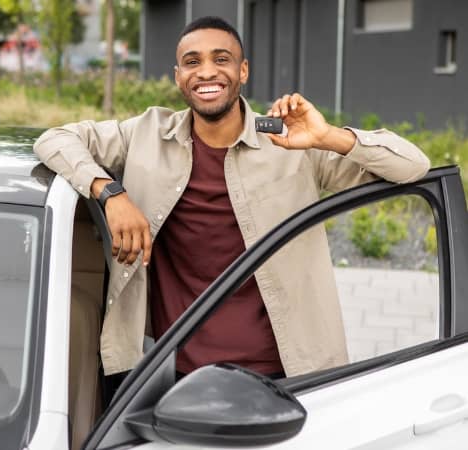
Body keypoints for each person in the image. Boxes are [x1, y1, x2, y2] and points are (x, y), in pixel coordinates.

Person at [33, 16, 430, 388]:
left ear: (243, 71)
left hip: (286, 373)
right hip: (169, 372)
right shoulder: (147, 132)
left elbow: (413, 165)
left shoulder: (289, 143)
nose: (206, 71)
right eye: (192, 62)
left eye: (221, 59)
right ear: (178, 77)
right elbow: (54, 139)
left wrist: (327, 137)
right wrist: (110, 193)